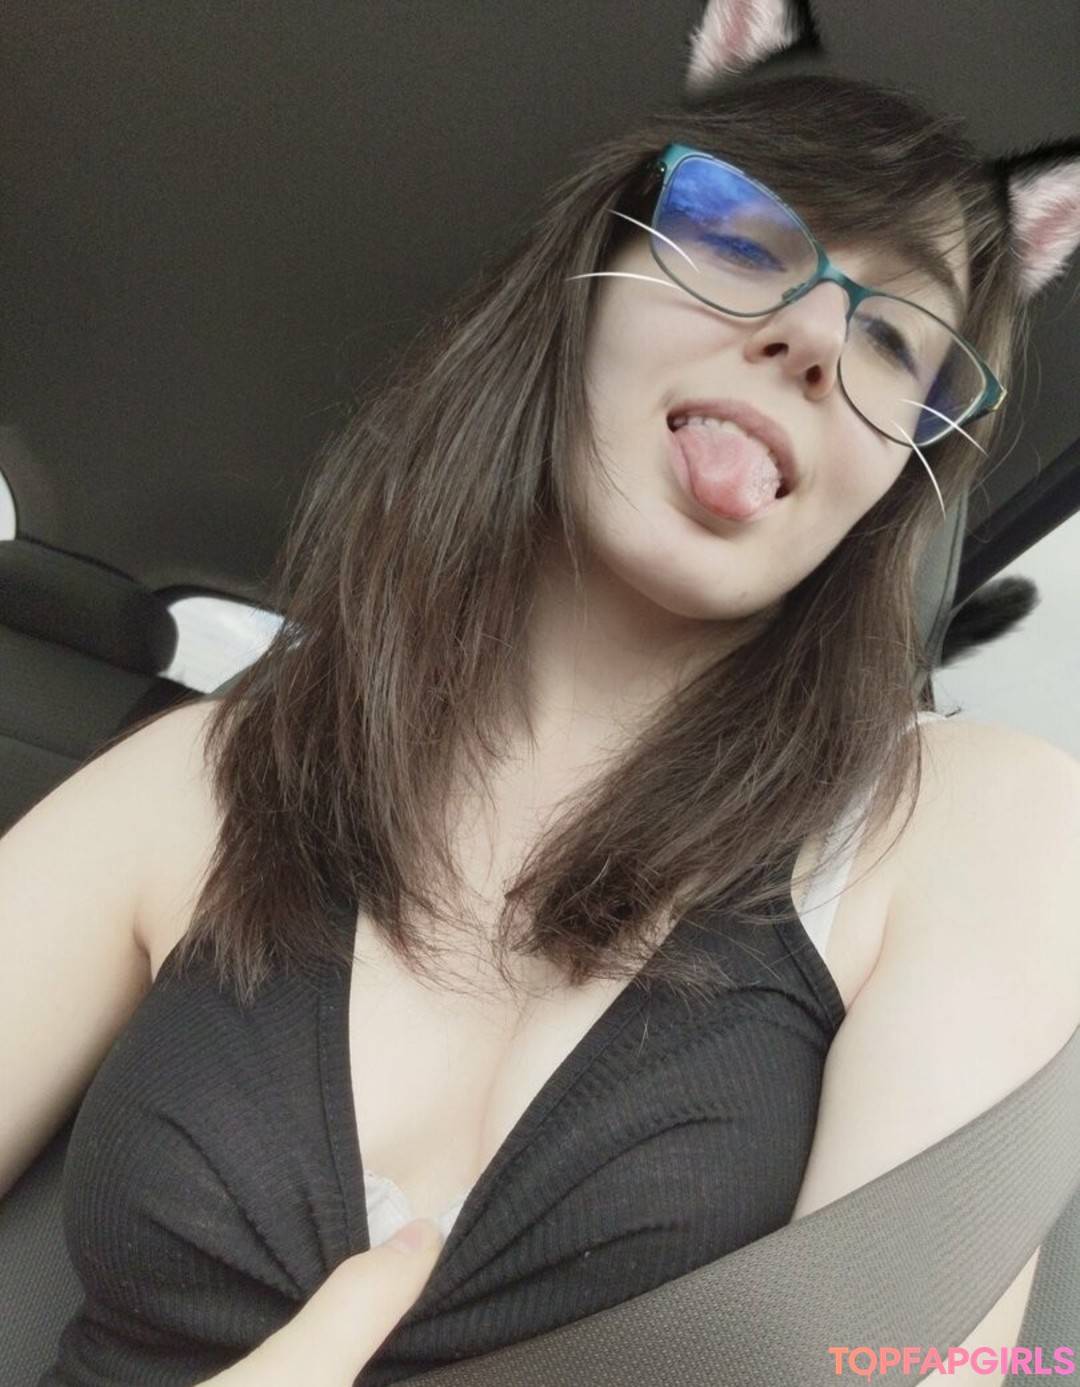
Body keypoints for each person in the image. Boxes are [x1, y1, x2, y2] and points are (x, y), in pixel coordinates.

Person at [2, 71, 1079, 1387]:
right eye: (743, 243)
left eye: (898, 342)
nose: (814, 336)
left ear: (899, 477)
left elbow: (910, 1365)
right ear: (587, 280)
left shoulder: (978, 823)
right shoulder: (200, 783)